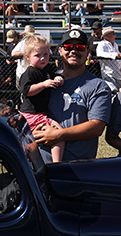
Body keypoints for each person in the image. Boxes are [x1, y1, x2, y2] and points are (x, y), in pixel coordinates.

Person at [32, 27, 112, 162]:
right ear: (60, 51)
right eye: (68, 47)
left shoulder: (98, 85)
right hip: (39, 163)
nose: (73, 51)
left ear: (88, 52)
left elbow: (97, 126)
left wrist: (59, 135)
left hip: (77, 167)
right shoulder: (47, 80)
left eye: (80, 47)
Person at [18, 34, 65, 161]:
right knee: (58, 133)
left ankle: (33, 154)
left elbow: (56, 76)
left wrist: (58, 78)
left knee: (51, 136)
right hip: (32, 114)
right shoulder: (30, 72)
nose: (43, 58)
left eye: (45, 54)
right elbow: (26, 91)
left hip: (39, 114)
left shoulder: (45, 71)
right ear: (28, 57)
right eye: (37, 55)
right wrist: (44, 84)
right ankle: (56, 165)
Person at [95, 26, 121, 92]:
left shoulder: (115, 44)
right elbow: (100, 54)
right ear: (107, 35)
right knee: (113, 90)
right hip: (108, 72)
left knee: (119, 90)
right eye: (113, 34)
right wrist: (114, 55)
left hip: (117, 73)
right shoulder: (102, 44)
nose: (115, 35)